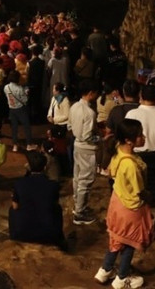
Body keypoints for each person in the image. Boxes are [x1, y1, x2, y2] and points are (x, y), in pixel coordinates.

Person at [94, 119, 153, 289]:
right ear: (129, 140)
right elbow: (139, 191)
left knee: (116, 239)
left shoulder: (118, 152)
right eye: (140, 135)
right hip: (130, 208)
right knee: (129, 244)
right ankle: (122, 278)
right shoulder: (131, 165)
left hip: (117, 203)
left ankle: (105, 270)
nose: (143, 137)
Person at [125, 84, 155, 205]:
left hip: (135, 155)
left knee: (134, 188)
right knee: (152, 189)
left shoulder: (131, 114)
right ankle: (151, 214)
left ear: (140, 96)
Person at [9, 151, 65, 247]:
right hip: (48, 234)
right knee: (58, 208)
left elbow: (15, 206)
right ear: (45, 167)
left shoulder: (19, 183)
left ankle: (13, 236)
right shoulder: (53, 185)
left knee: (12, 209)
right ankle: (59, 238)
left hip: (22, 233)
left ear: (29, 167)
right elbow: (53, 205)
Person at [70, 79, 101, 225]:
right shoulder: (89, 112)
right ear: (90, 93)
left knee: (77, 177)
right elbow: (88, 136)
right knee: (86, 180)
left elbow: (70, 127)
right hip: (87, 149)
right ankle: (79, 212)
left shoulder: (74, 106)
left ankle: (78, 205)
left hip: (77, 145)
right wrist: (101, 138)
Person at [5, 70, 33, 152]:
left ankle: (15, 145)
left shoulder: (6, 87)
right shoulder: (20, 88)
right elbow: (25, 100)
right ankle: (29, 144)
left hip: (11, 108)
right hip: (20, 109)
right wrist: (26, 93)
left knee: (14, 127)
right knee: (26, 126)